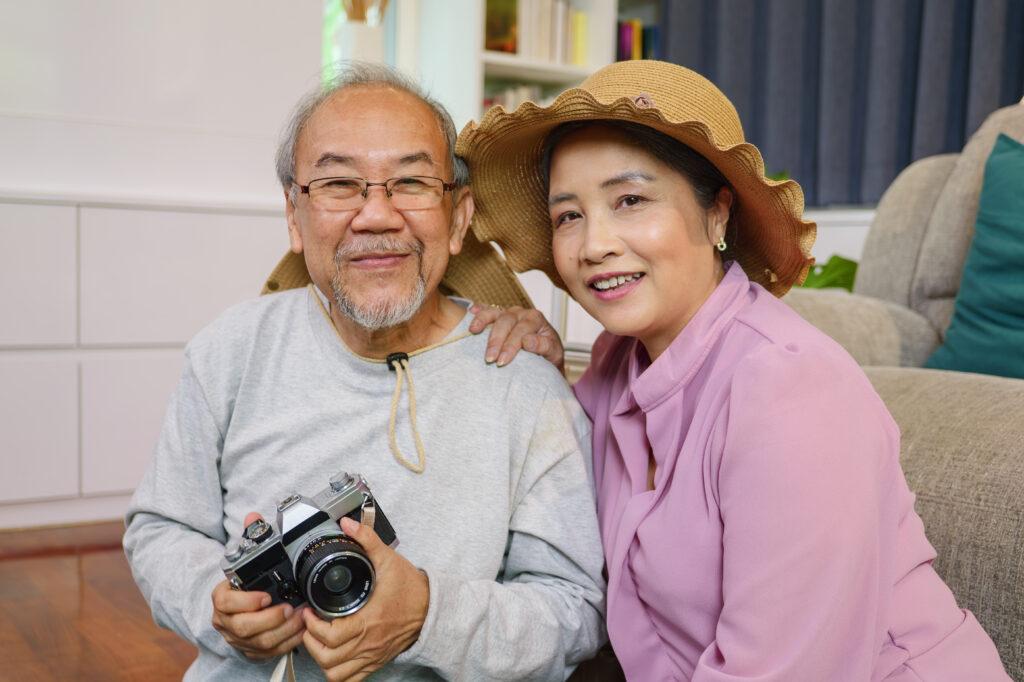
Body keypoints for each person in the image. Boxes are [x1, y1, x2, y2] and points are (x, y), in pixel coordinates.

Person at [461, 60, 1011, 680]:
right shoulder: (619, 362)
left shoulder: (791, 390)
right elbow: (547, 506)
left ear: (718, 214)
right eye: (569, 215)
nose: (593, 245)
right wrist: (540, 373)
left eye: (630, 200)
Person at [123, 62, 606, 682]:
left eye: (410, 182)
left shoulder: (526, 384)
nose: (376, 216)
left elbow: (574, 613)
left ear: (458, 219)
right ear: (294, 218)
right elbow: (161, 527)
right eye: (339, 184)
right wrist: (211, 604)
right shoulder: (230, 352)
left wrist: (428, 617)